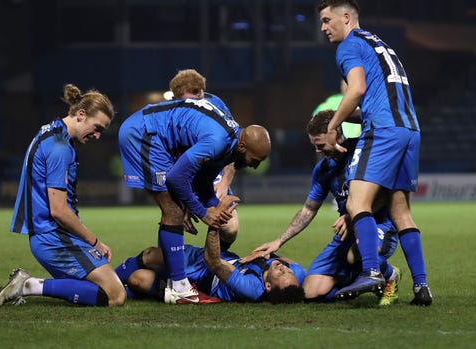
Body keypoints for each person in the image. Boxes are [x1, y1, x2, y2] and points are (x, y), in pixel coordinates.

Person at [317, 0, 432, 305]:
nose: (323, 28)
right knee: (400, 211)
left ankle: (372, 271)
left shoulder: (348, 46)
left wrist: (333, 125)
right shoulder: (380, 44)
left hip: (382, 130)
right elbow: (377, 96)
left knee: (356, 202)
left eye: (327, 21)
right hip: (410, 129)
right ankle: (421, 286)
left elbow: (356, 89)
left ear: (346, 18)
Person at [119, 95, 271, 304]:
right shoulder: (218, 142)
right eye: (255, 160)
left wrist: (214, 208)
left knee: (175, 210)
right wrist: (203, 213)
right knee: (173, 211)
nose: (255, 166)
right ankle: (180, 287)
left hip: (154, 135)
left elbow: (203, 181)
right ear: (243, 146)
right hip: (145, 134)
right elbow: (176, 179)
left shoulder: (230, 144)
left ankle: (157, 280)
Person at [245, 110, 400, 306]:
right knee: (310, 292)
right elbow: (308, 209)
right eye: (314, 146)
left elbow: (385, 194)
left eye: (320, 144)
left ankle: (390, 275)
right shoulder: (323, 170)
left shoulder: (363, 151)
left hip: (378, 225)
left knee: (356, 254)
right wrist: (279, 241)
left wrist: (353, 215)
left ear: (336, 134)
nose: (318, 150)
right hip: (345, 234)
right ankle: (353, 277)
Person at [0, 84, 126, 308]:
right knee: (115, 296)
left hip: (48, 236)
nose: (98, 135)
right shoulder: (60, 147)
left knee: (106, 286)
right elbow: (59, 210)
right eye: (97, 127)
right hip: (54, 238)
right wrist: (95, 242)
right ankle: (28, 285)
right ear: (81, 115)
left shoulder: (50, 131)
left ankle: (36, 285)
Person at [115, 196, 306, 304]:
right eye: (287, 269)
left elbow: (212, 260)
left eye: (281, 273)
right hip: (222, 258)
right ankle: (113, 281)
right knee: (151, 255)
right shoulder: (295, 277)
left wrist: (215, 221)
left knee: (138, 277)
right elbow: (293, 266)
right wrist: (273, 253)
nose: (283, 267)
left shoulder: (251, 289)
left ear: (268, 287)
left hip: (202, 278)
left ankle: (118, 290)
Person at [168, 69, 238, 247]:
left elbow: (234, 144)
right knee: (173, 219)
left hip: (212, 174)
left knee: (229, 229)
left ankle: (213, 264)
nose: (196, 101)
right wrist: (185, 202)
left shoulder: (215, 104)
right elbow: (170, 157)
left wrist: (225, 183)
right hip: (184, 175)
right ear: (176, 98)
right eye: (188, 99)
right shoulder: (170, 113)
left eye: (199, 94)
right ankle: (175, 272)